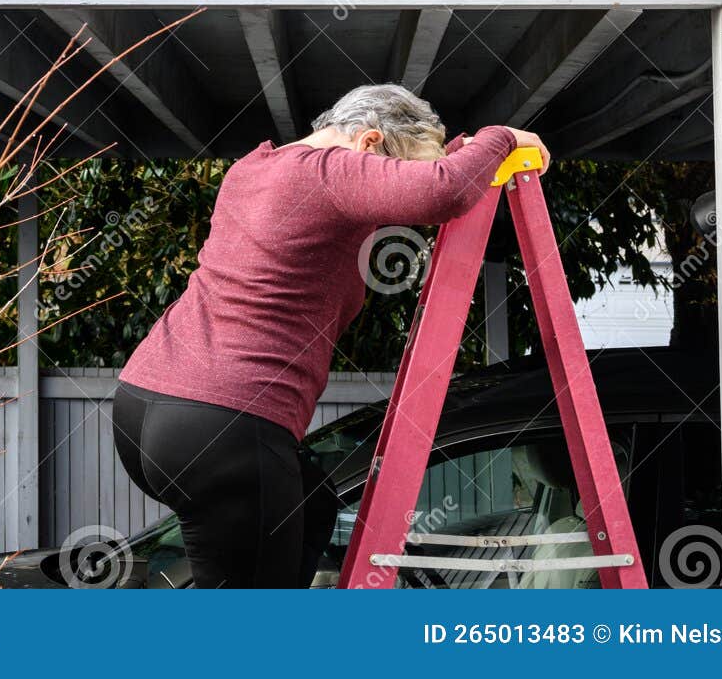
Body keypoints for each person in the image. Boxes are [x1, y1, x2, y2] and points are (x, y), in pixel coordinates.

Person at [112, 83, 550, 588]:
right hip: (223, 426)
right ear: (366, 144)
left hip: (146, 405)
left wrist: (460, 156)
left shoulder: (256, 168)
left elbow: (423, 182)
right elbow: (443, 191)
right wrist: (501, 137)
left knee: (312, 502)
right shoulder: (332, 173)